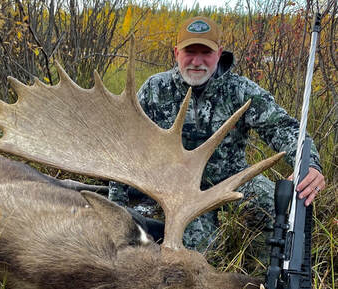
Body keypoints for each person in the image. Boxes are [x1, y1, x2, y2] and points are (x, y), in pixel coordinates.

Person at [109, 16, 325, 253]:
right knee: (198, 251)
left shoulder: (240, 90)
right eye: (190, 51)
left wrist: (309, 164)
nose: (197, 61)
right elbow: (124, 146)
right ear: (176, 52)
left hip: (231, 180)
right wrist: (115, 211)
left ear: (219, 53)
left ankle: (265, 277)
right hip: (176, 188)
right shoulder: (154, 90)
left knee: (280, 211)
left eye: (206, 53)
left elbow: (284, 128)